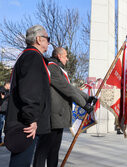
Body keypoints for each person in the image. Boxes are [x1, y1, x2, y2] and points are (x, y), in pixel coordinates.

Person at [33, 47, 95, 167]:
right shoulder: (52, 67)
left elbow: (70, 87)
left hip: (58, 115)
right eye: (66, 56)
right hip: (52, 115)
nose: (67, 59)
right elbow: (66, 88)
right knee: (43, 150)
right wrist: (84, 104)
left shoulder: (58, 68)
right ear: (59, 56)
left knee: (54, 150)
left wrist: (87, 98)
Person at [4, 25, 51, 167]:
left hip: (25, 120)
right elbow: (30, 90)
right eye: (47, 39)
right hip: (26, 124)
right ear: (38, 39)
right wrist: (31, 118)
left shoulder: (28, 55)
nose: (49, 42)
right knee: (21, 163)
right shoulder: (32, 57)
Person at [0, 81, 10, 146]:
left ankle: (7, 141)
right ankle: (0, 141)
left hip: (6, 111)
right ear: (6, 84)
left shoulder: (8, 91)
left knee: (7, 127)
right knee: (0, 127)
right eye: (9, 85)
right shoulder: (1, 89)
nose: (10, 86)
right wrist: (9, 94)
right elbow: (2, 97)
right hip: (1, 111)